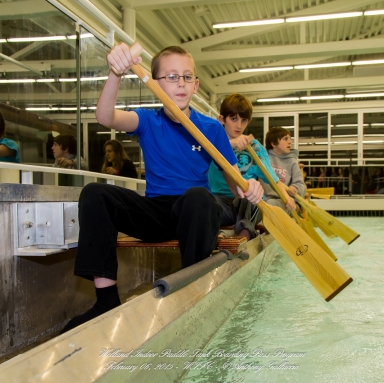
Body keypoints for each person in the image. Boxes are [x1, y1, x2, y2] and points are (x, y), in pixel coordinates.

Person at [60, 44, 263, 333]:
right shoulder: (148, 121)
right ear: (155, 84)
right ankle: (106, 301)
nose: (180, 83)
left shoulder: (211, 128)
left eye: (187, 77)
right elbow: (105, 117)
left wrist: (248, 187)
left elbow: (233, 181)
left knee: (199, 198)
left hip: (195, 212)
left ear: (196, 85)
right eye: (171, 76)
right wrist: (115, 73)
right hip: (157, 211)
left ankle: (193, 293)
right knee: (94, 193)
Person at [208, 94, 296, 240]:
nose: (239, 125)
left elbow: (273, 180)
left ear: (248, 121)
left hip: (247, 207)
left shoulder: (255, 147)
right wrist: (230, 144)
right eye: (233, 119)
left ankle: (243, 236)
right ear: (222, 119)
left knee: (252, 195)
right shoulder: (211, 141)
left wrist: (287, 198)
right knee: (203, 200)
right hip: (220, 204)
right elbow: (202, 154)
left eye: (243, 120)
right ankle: (228, 232)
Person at [263, 127, 306, 211]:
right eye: (285, 139)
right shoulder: (263, 158)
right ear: (273, 143)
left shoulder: (292, 161)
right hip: (262, 199)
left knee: (270, 204)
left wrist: (295, 188)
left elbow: (301, 185)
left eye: (290, 138)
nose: (290, 141)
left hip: (284, 202)